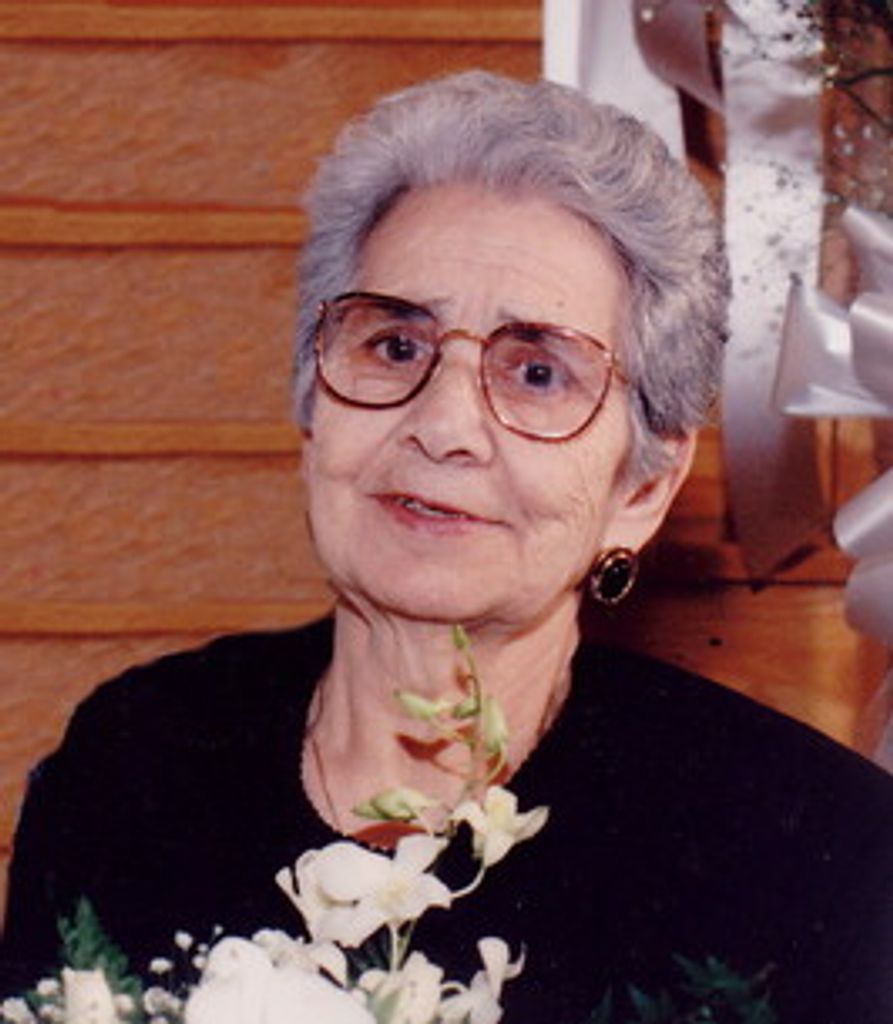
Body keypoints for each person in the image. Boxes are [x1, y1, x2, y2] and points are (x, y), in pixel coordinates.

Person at [2, 71, 892, 1023]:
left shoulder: (811, 852)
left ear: (640, 488)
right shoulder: (135, 761)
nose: (443, 425)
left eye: (537, 372)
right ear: (310, 403)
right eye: (394, 346)